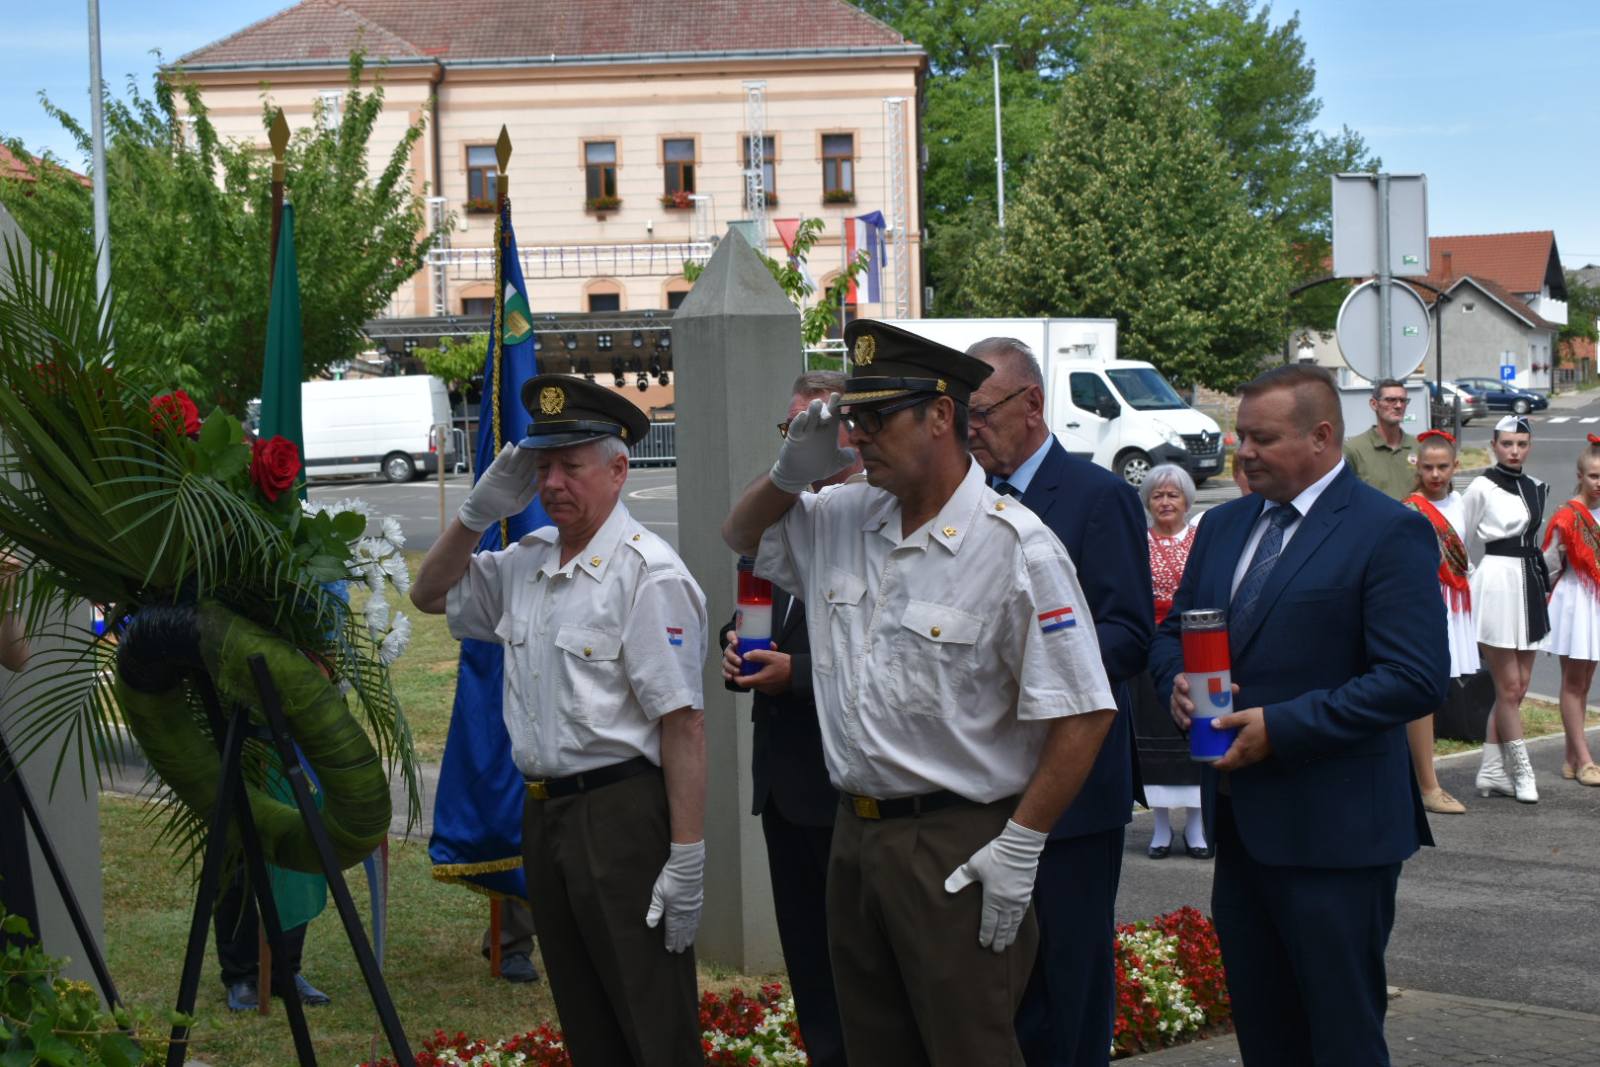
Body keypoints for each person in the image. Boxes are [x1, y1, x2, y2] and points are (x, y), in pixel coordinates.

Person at [721, 320, 1116, 1064]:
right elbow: (741, 533)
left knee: (969, 1048)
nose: (857, 437)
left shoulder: (1016, 546)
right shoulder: (843, 516)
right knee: (872, 1046)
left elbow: (1084, 711)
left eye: (877, 418)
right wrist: (786, 474)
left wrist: (1022, 843)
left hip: (956, 838)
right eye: (853, 419)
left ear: (940, 415)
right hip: (853, 831)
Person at [1150, 363, 1448, 1066]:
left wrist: (1281, 728)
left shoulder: (1386, 531)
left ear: (1321, 436)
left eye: (1263, 438)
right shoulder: (1223, 526)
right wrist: (1175, 682)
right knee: (1266, 1035)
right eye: (1241, 436)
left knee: (1340, 1038)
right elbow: (1172, 632)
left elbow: (1413, 678)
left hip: (1338, 836)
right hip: (1243, 830)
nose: (1244, 451)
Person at [412, 375, 708, 1067]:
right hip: (543, 814)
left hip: (620, 815)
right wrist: (476, 513)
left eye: (571, 466)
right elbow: (428, 593)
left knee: (651, 1018)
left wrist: (687, 857)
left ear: (618, 469)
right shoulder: (528, 562)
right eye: (542, 466)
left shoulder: (647, 574)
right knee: (584, 1013)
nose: (552, 484)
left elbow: (683, 725)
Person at [963, 336, 1152, 1067]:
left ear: (1032, 404)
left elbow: (1129, 634)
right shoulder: (968, 498)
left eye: (982, 413)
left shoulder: (1097, 497)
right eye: (963, 416)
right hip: (989, 779)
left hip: (1075, 790)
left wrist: (1029, 668)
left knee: (1068, 983)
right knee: (1001, 988)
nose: (970, 430)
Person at [718, 370, 857, 1067]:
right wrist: (732, 645)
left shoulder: (866, 516)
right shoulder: (788, 517)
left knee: (855, 967)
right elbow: (750, 605)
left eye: (812, 427)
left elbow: (877, 654)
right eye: (789, 429)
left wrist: (794, 673)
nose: (797, 441)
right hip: (781, 784)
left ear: (847, 432)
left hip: (841, 788)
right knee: (808, 963)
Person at [1461, 415, 1548, 804]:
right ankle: (1522, 770)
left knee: (1518, 688)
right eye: (1507, 443)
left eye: (1521, 444)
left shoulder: (1536, 487)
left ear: (1529, 447)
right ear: (1494, 445)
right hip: (1496, 583)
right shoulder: (1481, 486)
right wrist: (1473, 580)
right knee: (1509, 687)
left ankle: (1492, 771)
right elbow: (1459, 539)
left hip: (1529, 583)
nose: (1514, 451)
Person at [1134, 464, 1208, 860]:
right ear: (1148, 501)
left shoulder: (1201, 540)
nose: (1165, 502)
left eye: (1173, 495)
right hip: (1152, 651)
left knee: (1196, 731)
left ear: (1186, 501)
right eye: (1158, 495)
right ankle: (1161, 826)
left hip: (1196, 647)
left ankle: (1197, 825)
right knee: (1156, 738)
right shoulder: (1137, 543)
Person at [1400, 430, 1475, 814]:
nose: (1435, 474)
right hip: (1426, 602)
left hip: (1456, 602)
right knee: (1423, 689)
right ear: (1418, 466)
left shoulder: (1461, 503)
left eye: (1442, 466)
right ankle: (1427, 785)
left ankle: (1421, 778)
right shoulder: (1410, 509)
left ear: (1455, 466)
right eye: (1428, 467)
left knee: (1439, 688)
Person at [1539, 433, 1600, 787]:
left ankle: (1570, 756)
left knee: (1585, 681)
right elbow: (1548, 564)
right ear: (1580, 476)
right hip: (1575, 601)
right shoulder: (1566, 516)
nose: (1598, 482)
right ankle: (1586, 760)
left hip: (1595, 602)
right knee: (1574, 682)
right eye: (1593, 476)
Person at [1343, 377, 1417, 500]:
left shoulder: (1418, 447)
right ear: (1374, 404)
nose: (1398, 405)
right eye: (1391, 400)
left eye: (1403, 400)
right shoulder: (1354, 449)